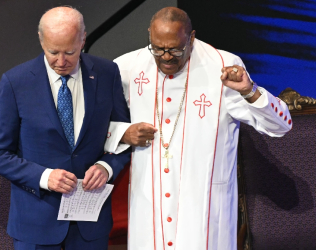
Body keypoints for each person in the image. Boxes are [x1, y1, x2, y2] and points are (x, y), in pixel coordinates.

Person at [104, 7, 292, 250]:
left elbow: (280, 127)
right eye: (158, 49)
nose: (166, 57)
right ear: (149, 35)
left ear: (191, 38)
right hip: (149, 205)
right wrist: (122, 133)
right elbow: (91, 126)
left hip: (203, 206)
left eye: (175, 49)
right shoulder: (127, 67)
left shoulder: (223, 65)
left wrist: (249, 90)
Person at [0, 6, 130, 250]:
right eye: (53, 52)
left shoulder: (107, 73)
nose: (61, 62)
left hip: (90, 222)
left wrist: (106, 167)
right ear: (41, 40)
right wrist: (44, 177)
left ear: (83, 39)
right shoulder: (15, 82)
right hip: (35, 222)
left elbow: (123, 136)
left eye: (70, 52)